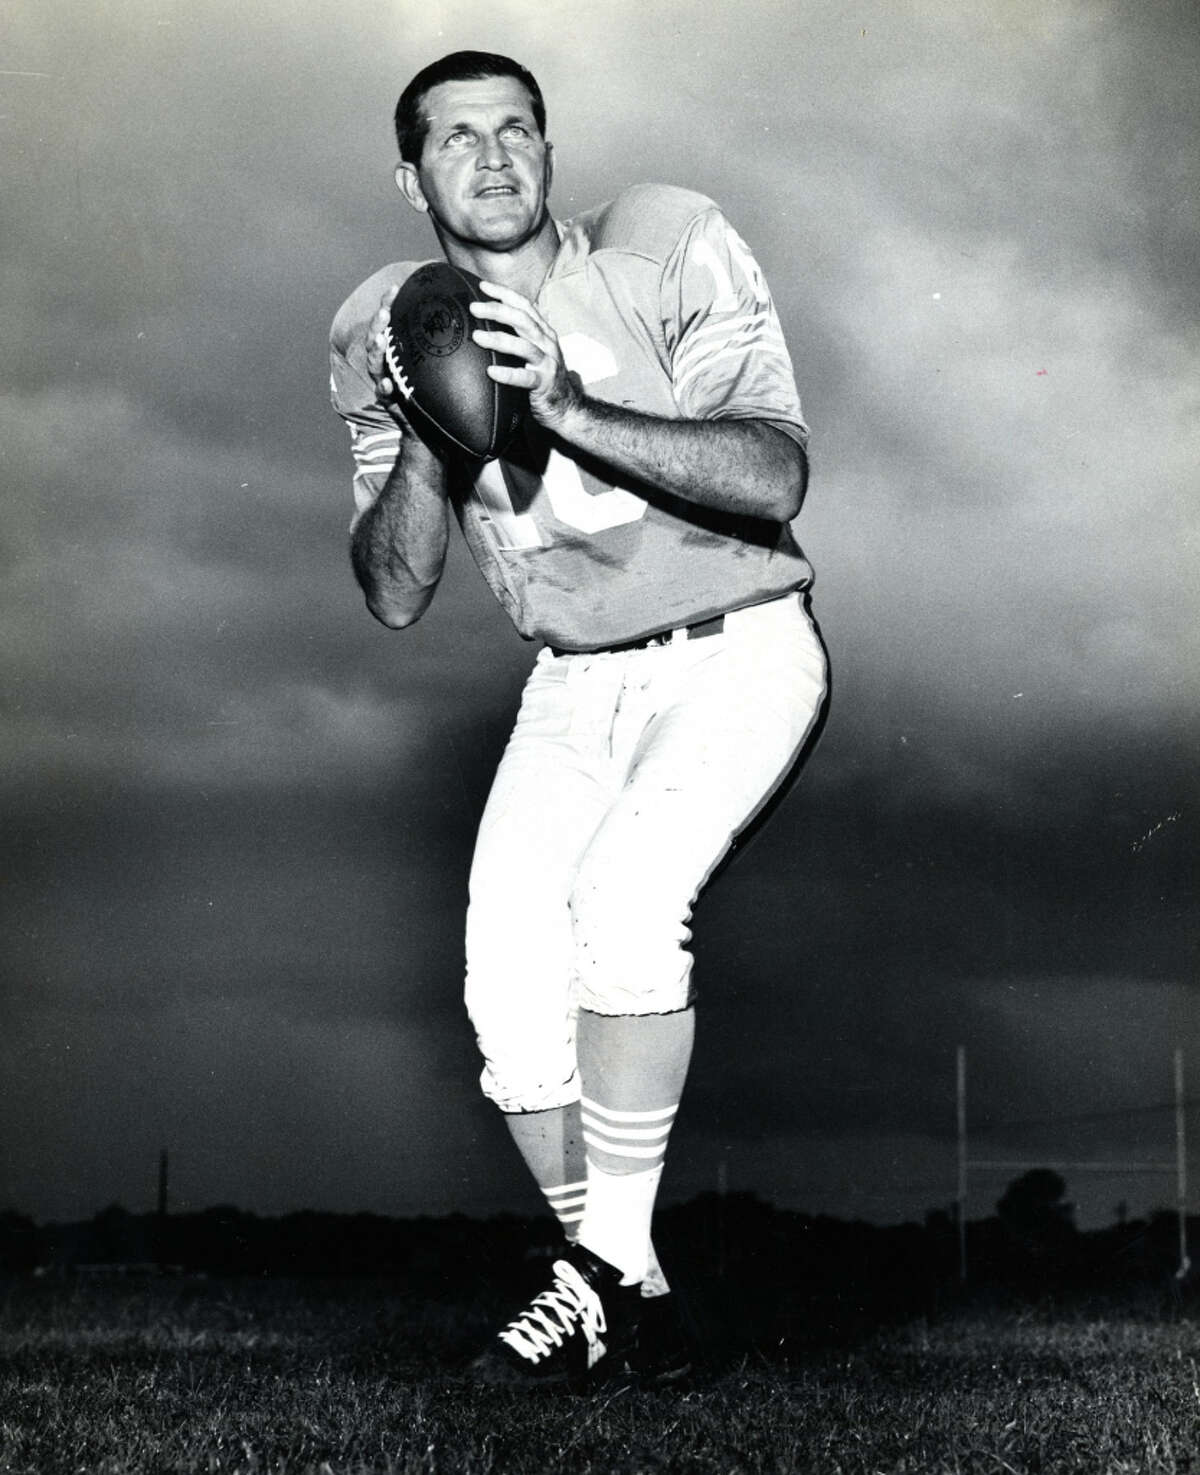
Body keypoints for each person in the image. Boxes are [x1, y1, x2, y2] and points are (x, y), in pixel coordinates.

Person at [329, 50, 828, 1388]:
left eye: (517, 132)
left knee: (623, 906)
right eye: (456, 139)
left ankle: (588, 1281)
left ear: (550, 150)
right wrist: (437, 432)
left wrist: (561, 405)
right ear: (409, 175)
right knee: (506, 1002)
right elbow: (393, 593)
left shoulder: (664, 240)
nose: (492, 159)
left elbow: (774, 472)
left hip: (734, 647)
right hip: (573, 681)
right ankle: (636, 1301)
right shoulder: (387, 320)